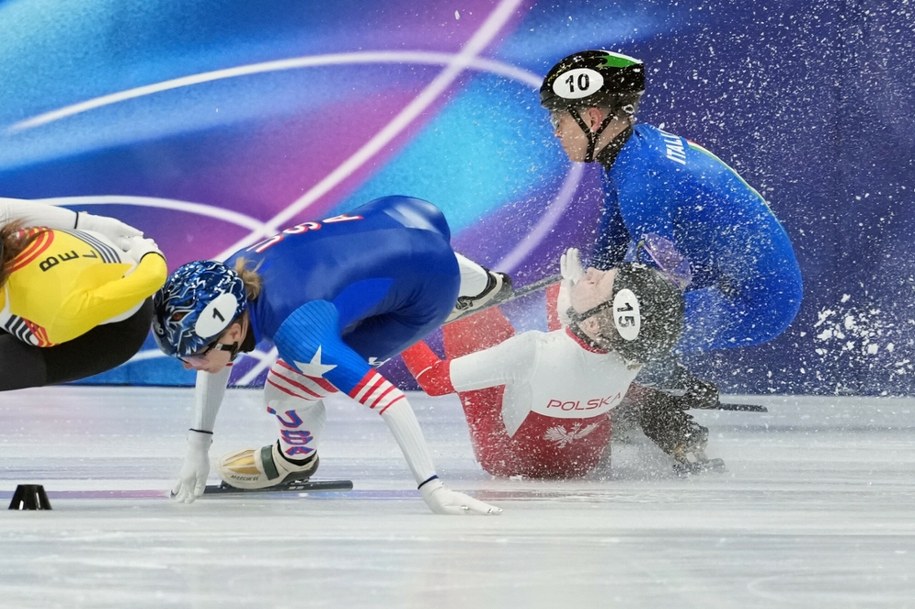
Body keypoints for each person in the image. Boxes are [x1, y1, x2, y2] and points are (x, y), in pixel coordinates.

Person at [152, 195, 505, 515]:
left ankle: (295, 460)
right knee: (399, 263)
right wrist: (198, 446)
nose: (188, 364)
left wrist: (433, 489)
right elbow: (217, 361)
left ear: (232, 332)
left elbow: (391, 402)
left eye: (193, 355)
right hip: (407, 215)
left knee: (283, 390)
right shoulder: (233, 271)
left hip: (428, 295)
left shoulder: (300, 332)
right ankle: (486, 284)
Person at [539, 50, 804, 465]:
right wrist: (589, 280)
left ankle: (670, 422)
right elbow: (612, 237)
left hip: (751, 302)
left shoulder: (643, 178)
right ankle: (647, 393)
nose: (554, 131)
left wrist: (608, 334)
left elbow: (663, 287)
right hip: (739, 284)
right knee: (597, 314)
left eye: (559, 119)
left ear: (592, 118)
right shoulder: (629, 153)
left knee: (612, 327)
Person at [401, 247, 691, 477]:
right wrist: (575, 288)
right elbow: (587, 330)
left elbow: (434, 379)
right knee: (561, 290)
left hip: (509, 461)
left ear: (593, 326)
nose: (591, 270)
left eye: (597, 280)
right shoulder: (634, 353)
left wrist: (398, 324)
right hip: (583, 462)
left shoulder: (531, 350)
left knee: (473, 311)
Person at [0, 197, 166, 390]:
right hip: (63, 277)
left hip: (112, 332)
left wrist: (148, 252)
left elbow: (151, 278)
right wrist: (87, 223)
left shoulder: (57, 312)